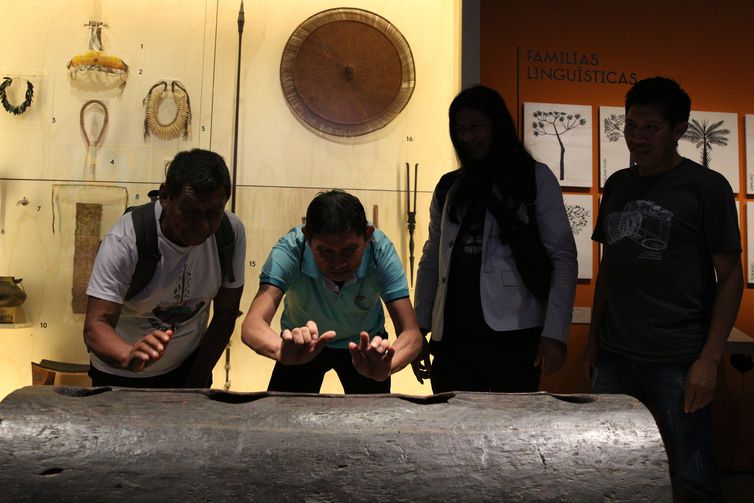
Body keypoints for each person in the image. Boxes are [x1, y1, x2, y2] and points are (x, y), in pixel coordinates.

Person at [584, 77, 742, 502]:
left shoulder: (707, 188)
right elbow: (610, 268)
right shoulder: (617, 184)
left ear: (678, 131)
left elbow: (730, 277)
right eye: (631, 125)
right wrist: (594, 340)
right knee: (612, 468)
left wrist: (708, 359)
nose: (637, 137)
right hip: (616, 355)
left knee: (693, 473)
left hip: (678, 358)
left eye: (651, 127)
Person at [412, 85, 578, 393]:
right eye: (460, 129)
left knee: (513, 429)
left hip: (515, 332)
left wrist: (555, 333)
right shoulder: (450, 186)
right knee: (451, 426)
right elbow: (432, 257)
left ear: (497, 126)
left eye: (476, 127)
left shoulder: (533, 177)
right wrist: (418, 329)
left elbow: (563, 257)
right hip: (452, 334)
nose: (467, 137)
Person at [83, 149, 246, 387]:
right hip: (120, 374)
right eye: (189, 211)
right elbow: (95, 326)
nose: (201, 225)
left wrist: (197, 378)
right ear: (164, 196)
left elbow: (226, 313)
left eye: (213, 213)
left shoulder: (230, 232)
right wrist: (128, 355)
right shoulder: (126, 239)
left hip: (188, 368)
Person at [241, 190, 423, 393]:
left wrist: (387, 365)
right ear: (308, 238)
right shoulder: (292, 250)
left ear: (367, 236)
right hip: (302, 345)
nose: (338, 263)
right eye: (325, 251)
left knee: (372, 423)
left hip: (365, 349)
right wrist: (280, 350)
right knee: (284, 420)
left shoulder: (380, 251)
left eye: (348, 250)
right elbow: (252, 325)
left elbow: (411, 333)